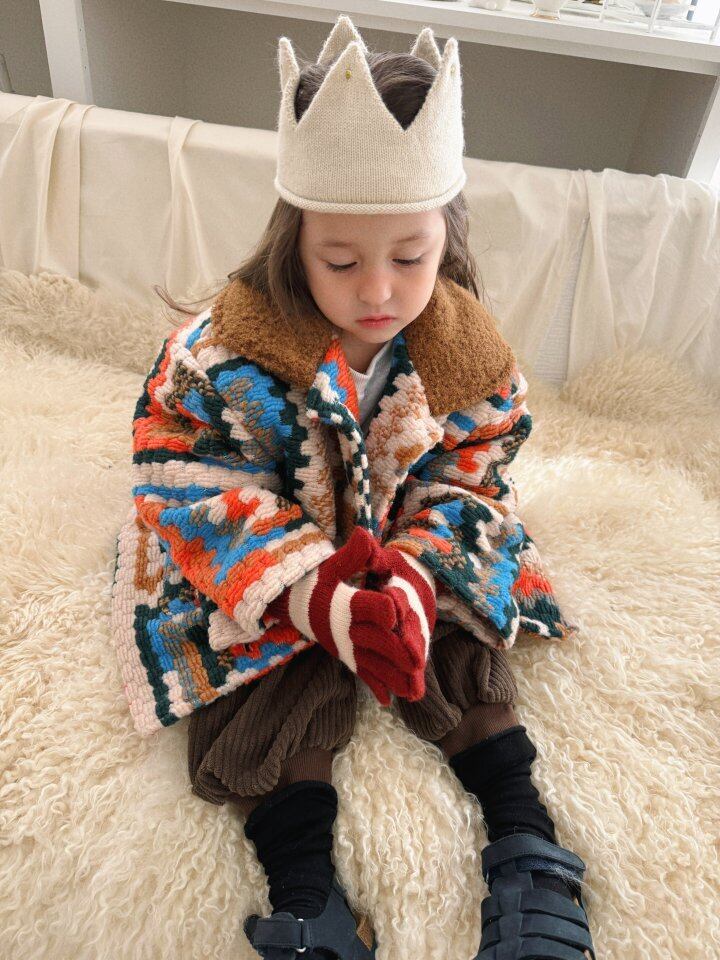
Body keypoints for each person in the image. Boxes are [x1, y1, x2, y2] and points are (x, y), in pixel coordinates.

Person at [110, 14, 596, 960]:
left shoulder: (469, 357)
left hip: (400, 550)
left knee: (468, 632)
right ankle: (305, 894)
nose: (377, 290)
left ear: (446, 237)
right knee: (245, 660)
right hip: (277, 558)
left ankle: (528, 843)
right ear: (293, 244)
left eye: (409, 259)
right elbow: (186, 479)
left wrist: (414, 574)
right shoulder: (221, 358)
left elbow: (475, 476)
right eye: (340, 262)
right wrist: (313, 595)